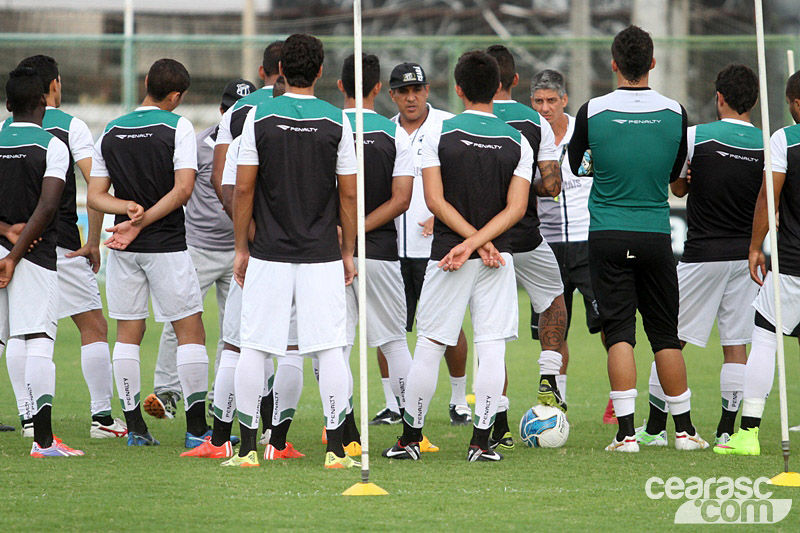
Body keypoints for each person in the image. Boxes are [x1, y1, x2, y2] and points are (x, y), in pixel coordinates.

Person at [383, 50, 532, 463]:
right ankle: (481, 444)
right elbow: (516, 210)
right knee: (492, 347)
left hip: (449, 254)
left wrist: (466, 243)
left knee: (429, 345)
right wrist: (483, 243)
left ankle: (410, 439)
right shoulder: (517, 140)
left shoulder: (437, 133)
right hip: (498, 258)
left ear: (459, 89)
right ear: (497, 87)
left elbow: (433, 199)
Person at [568, 25, 707, 452]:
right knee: (665, 334)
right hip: (654, 234)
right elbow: (675, 173)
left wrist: (607, 168)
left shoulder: (591, 110)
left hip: (607, 234)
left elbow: (577, 166)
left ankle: (626, 434)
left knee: (620, 333)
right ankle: (683, 431)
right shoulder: (676, 112)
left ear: (613, 65)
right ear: (651, 63)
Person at [229, 33, 359, 468]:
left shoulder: (258, 116)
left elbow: (243, 186)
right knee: (329, 348)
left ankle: (248, 449)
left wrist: (240, 246)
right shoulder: (339, 121)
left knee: (255, 347)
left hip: (267, 251)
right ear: (321, 71)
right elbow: (349, 196)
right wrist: (349, 251)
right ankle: (337, 450)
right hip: (322, 253)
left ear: (280, 70)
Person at [638, 65, 763, 448]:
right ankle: (728, 431)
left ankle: (657, 429)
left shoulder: (694, 138)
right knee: (736, 345)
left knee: (669, 339)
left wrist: (685, 180)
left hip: (701, 255)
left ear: (719, 98)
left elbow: (676, 187)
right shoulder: (766, 144)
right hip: (747, 257)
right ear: (754, 102)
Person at [88, 58, 209, 447]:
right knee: (190, 333)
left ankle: (136, 429)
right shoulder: (179, 126)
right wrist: (141, 220)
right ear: (175, 95)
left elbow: (94, 195)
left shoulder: (111, 128)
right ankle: (195, 430)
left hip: (123, 250)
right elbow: (183, 189)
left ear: (145, 83)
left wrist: (127, 211)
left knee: (127, 336)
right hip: (168, 247)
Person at [1, 55, 124, 439]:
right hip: (60, 244)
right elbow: (96, 185)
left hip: (11, 245)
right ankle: (102, 419)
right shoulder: (70, 128)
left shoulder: (7, 128)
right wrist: (93, 241)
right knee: (93, 327)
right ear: (52, 86)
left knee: (19, 332)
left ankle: (27, 419)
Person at [145, 78, 256, 421]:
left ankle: (220, 396)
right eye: (232, 109)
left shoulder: (259, 141)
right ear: (222, 110)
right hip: (200, 246)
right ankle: (168, 390)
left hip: (243, 249)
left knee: (234, 326)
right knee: (179, 317)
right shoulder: (201, 142)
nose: (238, 115)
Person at [714, 70, 800, 456]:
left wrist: (754, 246)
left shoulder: (785, 139)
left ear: (796, 104)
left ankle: (747, 433)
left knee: (765, 338)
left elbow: (768, 198)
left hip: (793, 263)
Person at [484, 45, 563, 450]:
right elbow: (551, 187)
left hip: (481, 241)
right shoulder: (535, 120)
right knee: (553, 302)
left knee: (490, 332)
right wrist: (520, 187)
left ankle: (496, 420)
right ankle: (549, 383)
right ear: (515, 82)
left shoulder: (456, 122)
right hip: (527, 235)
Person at [386, 61, 472, 427]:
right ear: (391, 95)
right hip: (391, 245)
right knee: (389, 329)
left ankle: (459, 398)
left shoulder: (448, 127)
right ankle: (394, 403)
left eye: (416, 90)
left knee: (448, 327)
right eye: (403, 91)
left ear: (427, 90)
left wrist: (442, 215)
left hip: (436, 248)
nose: (410, 97)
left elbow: (464, 183)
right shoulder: (382, 132)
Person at [0, 66, 80, 457]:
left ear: (9, 104)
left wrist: (5, 231)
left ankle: (35, 428)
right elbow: (48, 206)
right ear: (44, 103)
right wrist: (15, 254)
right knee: (37, 340)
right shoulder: (53, 146)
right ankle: (44, 441)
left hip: (7, 250)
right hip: (32, 257)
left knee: (7, 337)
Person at [210, 41, 283, 442]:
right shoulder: (320, 119)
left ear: (265, 69)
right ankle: (278, 437)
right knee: (290, 348)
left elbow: (225, 183)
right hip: (301, 253)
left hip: (258, 250)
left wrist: (248, 237)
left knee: (238, 344)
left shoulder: (240, 118)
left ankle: (223, 438)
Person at [530, 68, 611, 423]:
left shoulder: (587, 132)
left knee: (609, 322)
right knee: (553, 325)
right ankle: (554, 397)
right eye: (538, 101)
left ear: (564, 100)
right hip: (546, 244)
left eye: (551, 101)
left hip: (588, 240)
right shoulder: (528, 135)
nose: (545, 108)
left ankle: (616, 398)